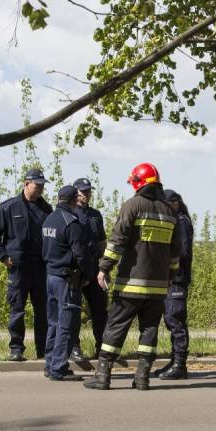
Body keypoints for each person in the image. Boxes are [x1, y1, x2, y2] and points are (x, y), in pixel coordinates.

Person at [83, 162, 179, 391]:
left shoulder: (132, 205)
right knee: (150, 330)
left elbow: (117, 241)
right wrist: (170, 276)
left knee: (115, 327)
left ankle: (103, 376)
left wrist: (104, 268)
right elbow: (175, 252)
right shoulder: (170, 211)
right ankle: (143, 378)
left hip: (130, 284)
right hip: (157, 287)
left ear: (137, 182)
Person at [0, 167, 52, 361]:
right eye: (37, 185)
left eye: (42, 186)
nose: (40, 189)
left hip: (40, 267)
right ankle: (16, 349)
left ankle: (43, 351)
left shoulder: (46, 209)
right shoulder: (9, 207)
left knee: (43, 311)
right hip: (18, 268)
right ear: (26, 184)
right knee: (17, 310)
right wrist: (3, 256)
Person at [41, 185, 91, 381]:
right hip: (66, 280)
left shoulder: (48, 220)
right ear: (73, 201)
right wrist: (87, 274)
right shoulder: (71, 222)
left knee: (53, 323)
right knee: (67, 324)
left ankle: (50, 363)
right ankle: (59, 367)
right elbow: (81, 254)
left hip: (50, 277)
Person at [68, 177, 108, 370]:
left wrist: (104, 267)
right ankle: (74, 348)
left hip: (94, 270)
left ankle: (102, 347)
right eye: (83, 191)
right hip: (76, 271)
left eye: (88, 191)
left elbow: (102, 242)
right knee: (73, 311)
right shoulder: (68, 214)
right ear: (75, 193)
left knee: (100, 311)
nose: (86, 194)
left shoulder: (95, 215)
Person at [154, 188, 193, 380]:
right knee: (171, 319)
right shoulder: (176, 221)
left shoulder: (181, 223)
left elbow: (182, 252)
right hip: (171, 277)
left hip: (177, 278)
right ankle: (174, 361)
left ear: (176, 203)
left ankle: (180, 364)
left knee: (175, 319)